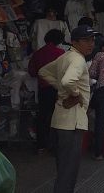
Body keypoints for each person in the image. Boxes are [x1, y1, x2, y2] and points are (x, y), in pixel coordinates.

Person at [39, 25, 99, 193]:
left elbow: (43, 71)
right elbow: (67, 81)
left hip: (60, 121)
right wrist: (76, 94)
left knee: (63, 168)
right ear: (74, 42)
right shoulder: (78, 59)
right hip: (72, 123)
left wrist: (61, 88)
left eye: (92, 40)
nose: (91, 44)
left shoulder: (66, 57)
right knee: (68, 173)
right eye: (86, 40)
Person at [28, 28, 65, 154]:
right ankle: (54, 146)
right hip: (57, 89)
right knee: (57, 117)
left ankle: (41, 146)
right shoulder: (61, 53)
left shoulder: (38, 53)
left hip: (43, 89)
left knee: (42, 117)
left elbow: (32, 72)